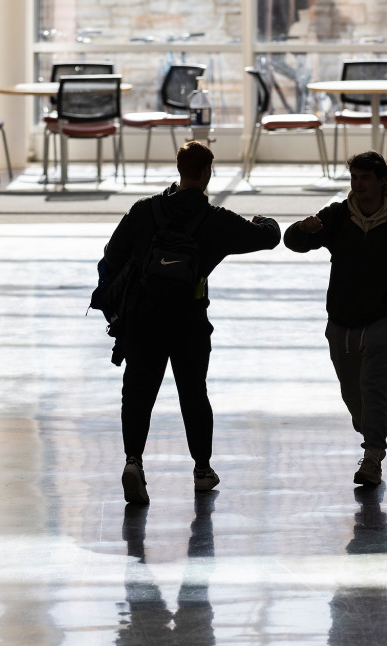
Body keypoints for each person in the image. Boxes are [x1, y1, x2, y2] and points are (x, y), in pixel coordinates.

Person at [98, 141, 281, 505]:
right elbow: (270, 238)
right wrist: (265, 221)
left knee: (137, 391)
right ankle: (201, 469)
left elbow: (110, 258)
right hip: (189, 320)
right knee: (193, 393)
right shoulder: (216, 221)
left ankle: (134, 460)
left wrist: (117, 308)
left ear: (179, 169)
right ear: (207, 173)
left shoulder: (144, 211)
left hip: (144, 319)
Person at [283, 150, 387, 486]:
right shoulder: (339, 216)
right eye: (354, 178)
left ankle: (372, 456)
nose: (358, 185)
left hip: (383, 319)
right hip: (341, 321)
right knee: (352, 392)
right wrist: (301, 228)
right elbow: (294, 243)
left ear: (382, 181)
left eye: (365, 178)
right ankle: (367, 427)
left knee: (374, 388)